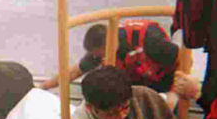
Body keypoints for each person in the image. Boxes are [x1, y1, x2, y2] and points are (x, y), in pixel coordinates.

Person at [39, 20, 200, 110]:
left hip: (166, 81)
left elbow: (185, 59)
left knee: (170, 109)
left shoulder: (149, 41)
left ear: (109, 43)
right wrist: (44, 86)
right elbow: (74, 72)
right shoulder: (100, 49)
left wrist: (174, 94)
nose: (98, 58)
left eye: (99, 54)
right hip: (140, 82)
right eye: (95, 56)